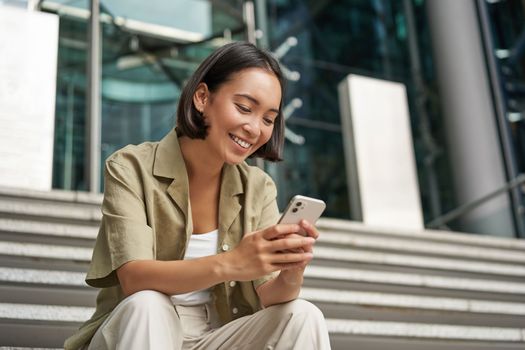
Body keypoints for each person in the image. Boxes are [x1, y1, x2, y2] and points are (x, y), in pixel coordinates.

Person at [64, 41, 331, 350]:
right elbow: (134, 277)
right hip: (139, 329)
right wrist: (232, 262)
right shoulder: (131, 167)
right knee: (148, 304)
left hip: (218, 333)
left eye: (268, 119)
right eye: (244, 108)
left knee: (304, 314)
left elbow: (269, 294)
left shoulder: (259, 187)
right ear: (203, 97)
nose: (254, 128)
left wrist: (291, 272)